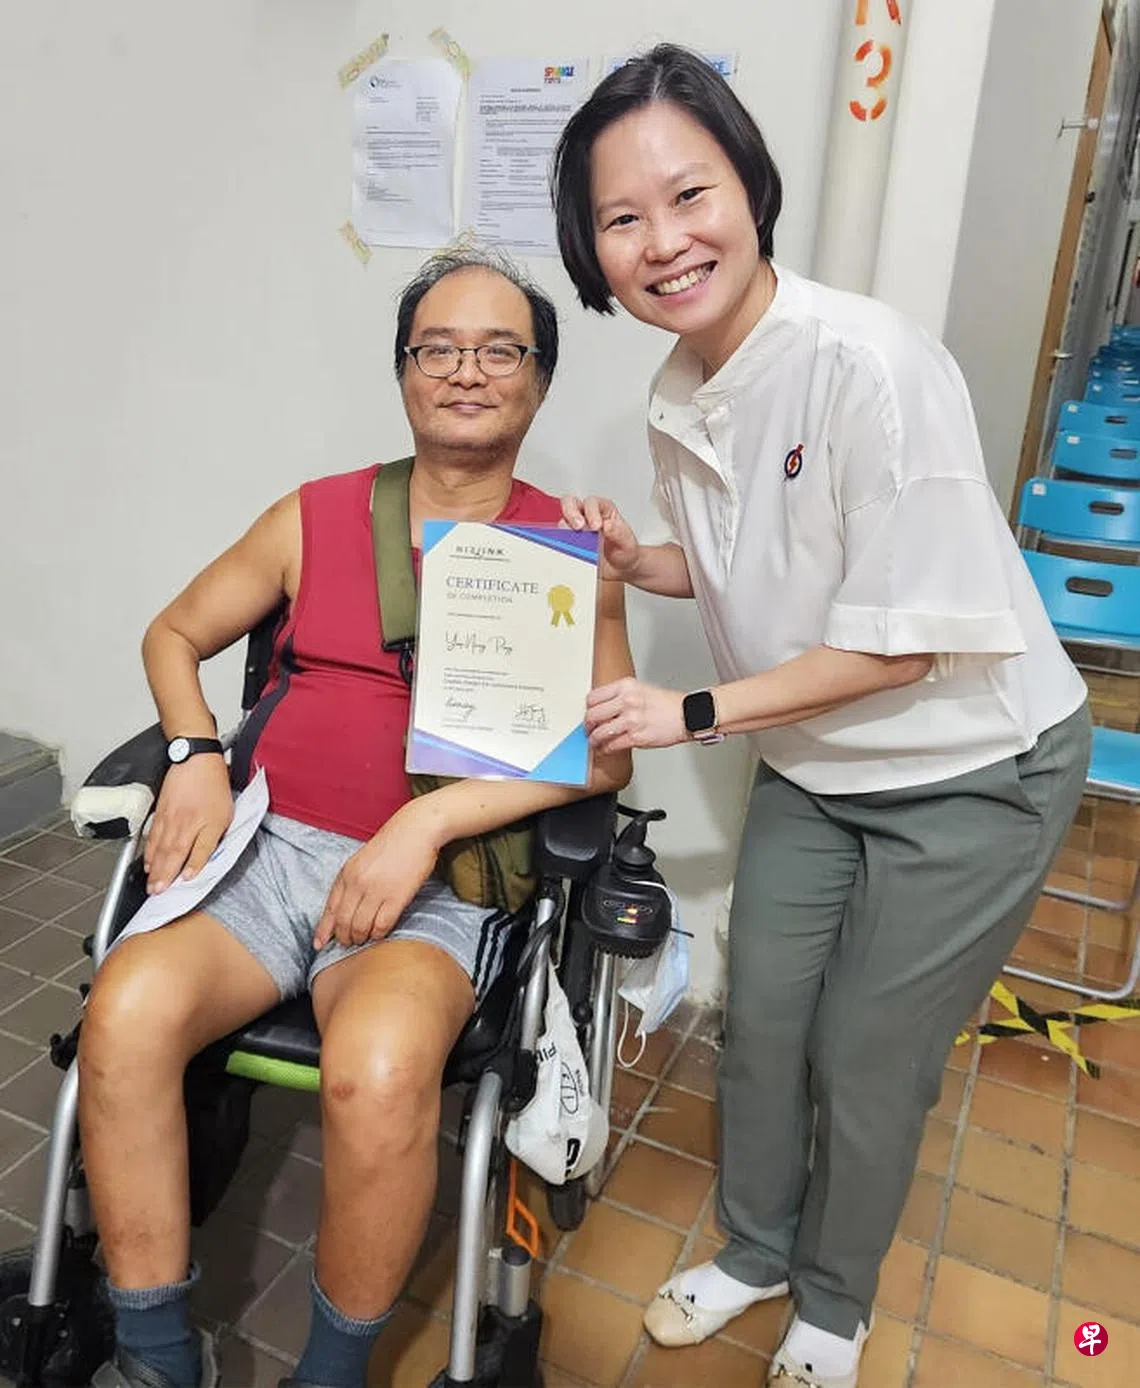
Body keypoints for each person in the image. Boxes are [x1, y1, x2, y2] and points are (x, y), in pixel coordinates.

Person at [552, 44, 1090, 1388]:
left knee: (865, 1057)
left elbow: (899, 645)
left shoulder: (871, 365)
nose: (665, 242)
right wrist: (640, 561)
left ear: (751, 187)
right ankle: (755, 1249)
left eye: (691, 195)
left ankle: (834, 1303)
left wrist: (686, 708)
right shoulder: (678, 393)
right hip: (815, 761)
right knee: (767, 1019)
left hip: (976, 767)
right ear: (592, 246)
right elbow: (760, 563)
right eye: (623, 218)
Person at [78, 248, 634, 1388]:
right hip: (266, 849)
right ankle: (154, 1354)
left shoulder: (571, 549)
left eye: (500, 350)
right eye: (439, 347)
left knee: (377, 1070)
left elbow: (607, 750)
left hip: (441, 879)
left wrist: (422, 827)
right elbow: (172, 633)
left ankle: (330, 1376)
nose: (467, 370)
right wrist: (194, 754)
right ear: (404, 371)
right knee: (124, 1013)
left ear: (540, 381)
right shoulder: (316, 514)